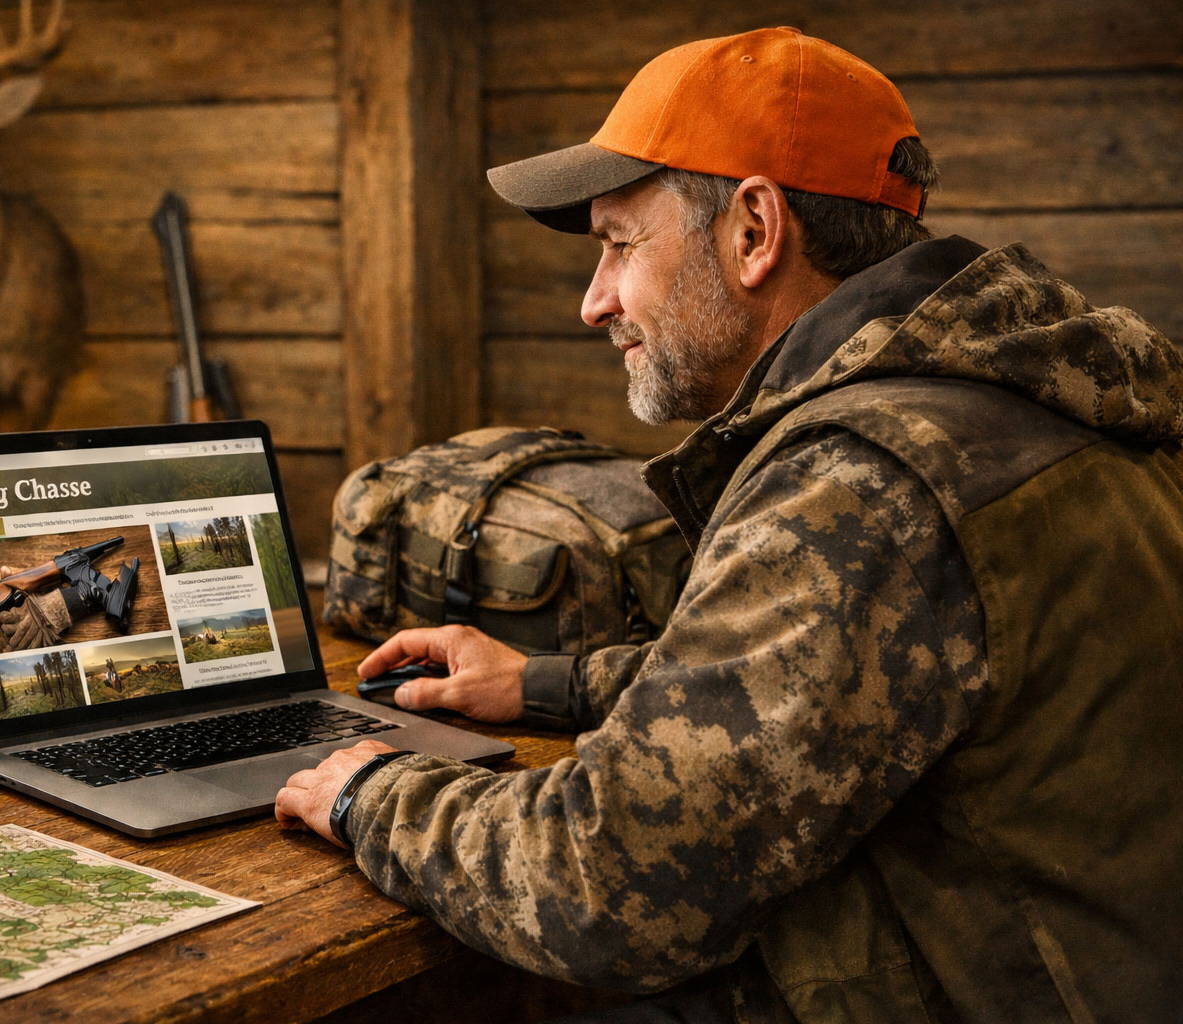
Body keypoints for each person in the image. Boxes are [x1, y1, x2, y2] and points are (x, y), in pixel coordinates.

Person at [275, 26, 1183, 1021]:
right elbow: (850, 675)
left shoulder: (865, 479)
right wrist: (542, 682)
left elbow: (605, 883)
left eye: (620, 245)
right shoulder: (1027, 393)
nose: (595, 302)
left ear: (754, 230)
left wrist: (370, 791)